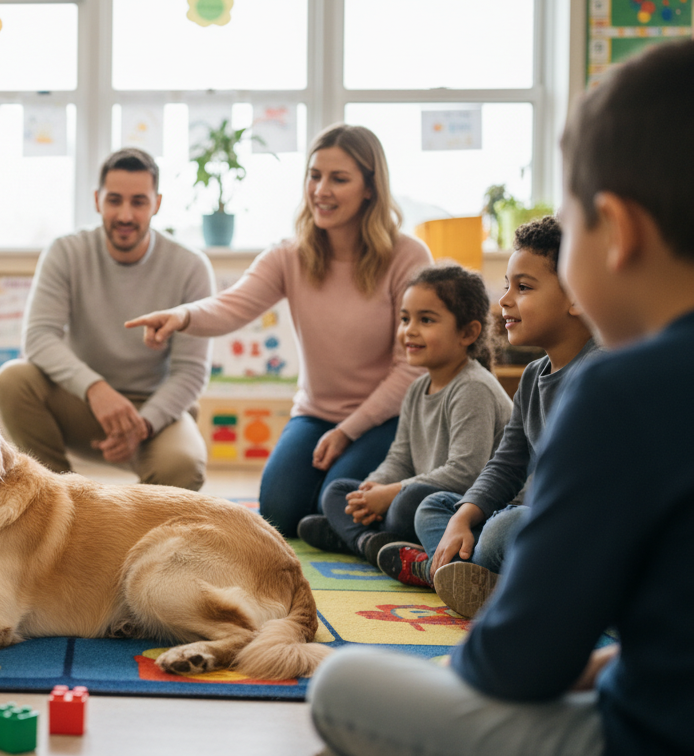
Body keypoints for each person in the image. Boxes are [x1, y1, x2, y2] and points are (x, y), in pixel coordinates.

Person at [309, 39, 694, 756]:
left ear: (619, 233)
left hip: (647, 735)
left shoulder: (621, 389)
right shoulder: (565, 382)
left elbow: (517, 665)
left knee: (342, 686)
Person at [127, 125, 432, 535]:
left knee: (338, 496)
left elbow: (412, 366)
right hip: (315, 414)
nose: (321, 189)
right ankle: (339, 525)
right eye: (314, 175)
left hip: (386, 419)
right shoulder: (290, 255)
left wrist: (348, 431)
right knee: (279, 509)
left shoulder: (407, 256)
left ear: (370, 189)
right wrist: (182, 316)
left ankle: (362, 521)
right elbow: (231, 305)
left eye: (339, 179)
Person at [384, 216, 599, 615]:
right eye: (506, 286)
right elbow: (506, 464)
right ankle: (477, 578)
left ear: (578, 297)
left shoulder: (601, 373)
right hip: (533, 526)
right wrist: (465, 515)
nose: (504, 300)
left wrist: (505, 520)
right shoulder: (534, 378)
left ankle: (460, 573)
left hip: (578, 534)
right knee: (436, 508)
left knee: (503, 528)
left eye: (523, 287)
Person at [0, 147, 214, 491]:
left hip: (153, 413)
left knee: (182, 468)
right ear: (97, 201)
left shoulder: (191, 267)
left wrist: (142, 424)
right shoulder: (66, 252)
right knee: (13, 380)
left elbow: (192, 371)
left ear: (157, 203)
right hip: (81, 402)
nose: (125, 214)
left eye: (139, 202)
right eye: (115, 200)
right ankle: (58, 497)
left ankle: (140, 531)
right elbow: (38, 337)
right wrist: (95, 388)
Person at [296, 264, 511, 567]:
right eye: (405, 319)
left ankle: (355, 537)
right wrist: (372, 490)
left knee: (409, 503)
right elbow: (399, 458)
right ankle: (369, 541)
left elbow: (466, 472)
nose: (410, 330)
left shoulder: (473, 388)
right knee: (338, 491)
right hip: (415, 491)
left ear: (467, 332)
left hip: (459, 505)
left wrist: (391, 493)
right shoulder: (415, 389)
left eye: (426, 320)